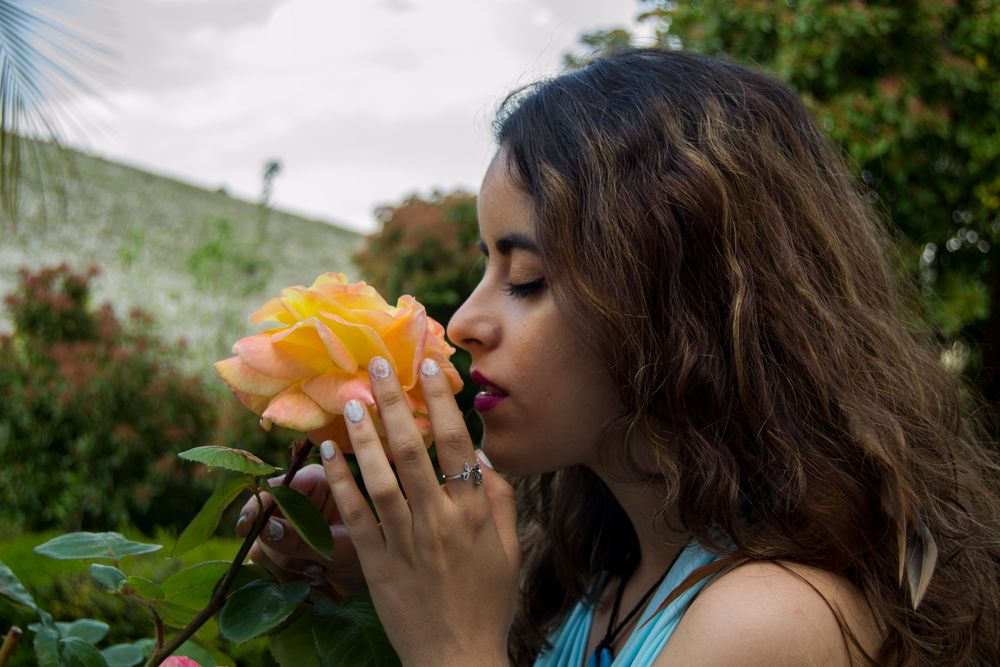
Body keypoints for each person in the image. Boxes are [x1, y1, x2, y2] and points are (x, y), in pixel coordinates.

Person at [236, 48, 1000, 666]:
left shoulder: (767, 621)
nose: (464, 321)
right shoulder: (607, 572)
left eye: (526, 278)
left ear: (678, 308)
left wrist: (452, 647)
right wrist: (381, 580)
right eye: (484, 268)